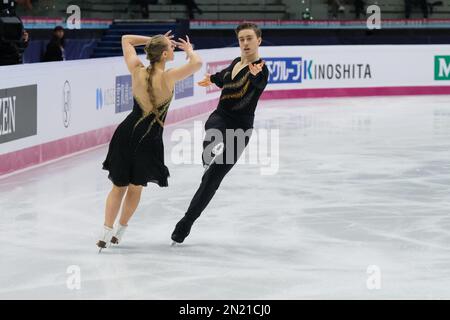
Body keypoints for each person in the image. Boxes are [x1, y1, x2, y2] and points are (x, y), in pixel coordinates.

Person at [96, 31, 202, 251]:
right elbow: (197, 63)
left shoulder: (136, 70)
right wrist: (189, 50)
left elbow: (125, 38)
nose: (173, 49)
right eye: (171, 48)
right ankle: (121, 230)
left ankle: (106, 230)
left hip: (125, 134)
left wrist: (152, 40)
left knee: (118, 186)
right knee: (135, 188)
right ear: (164, 54)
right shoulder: (169, 77)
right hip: (149, 140)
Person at [171, 22, 269, 244]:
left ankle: (185, 224)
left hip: (242, 129)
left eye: (249, 38)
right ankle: (209, 151)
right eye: (242, 39)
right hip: (221, 117)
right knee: (213, 131)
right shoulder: (235, 62)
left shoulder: (261, 68)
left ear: (258, 41)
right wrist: (212, 79)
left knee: (211, 180)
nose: (245, 43)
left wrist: (254, 75)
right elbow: (224, 76)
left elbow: (259, 83)